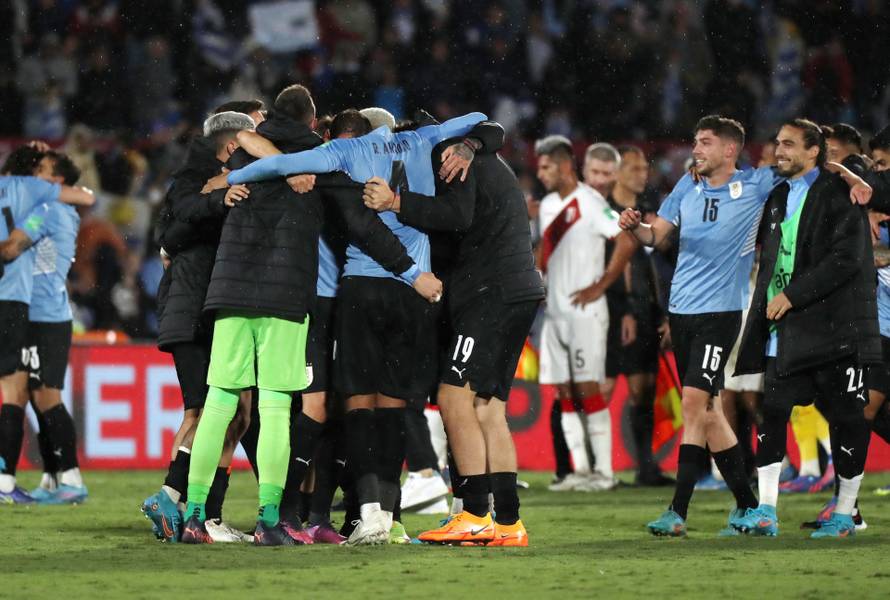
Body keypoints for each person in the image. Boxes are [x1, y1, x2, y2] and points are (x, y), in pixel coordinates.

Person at [227, 107, 491, 545]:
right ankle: (386, 517)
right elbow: (480, 117)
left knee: (357, 407)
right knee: (394, 409)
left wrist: (233, 180)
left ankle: (367, 514)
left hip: (362, 288)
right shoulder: (425, 140)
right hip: (415, 295)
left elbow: (280, 165)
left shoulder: (349, 150)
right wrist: (468, 143)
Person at [618, 115, 872, 537]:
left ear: (729, 150)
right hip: (681, 310)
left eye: (704, 143)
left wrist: (851, 176)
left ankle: (677, 510)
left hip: (721, 313)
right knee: (712, 411)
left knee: (697, 404)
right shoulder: (686, 186)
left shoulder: (757, 184)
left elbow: (814, 165)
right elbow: (656, 236)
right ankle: (748, 506)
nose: (695, 149)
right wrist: (636, 228)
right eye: (696, 141)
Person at [363, 115, 544, 546]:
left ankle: (475, 514)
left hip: (490, 293)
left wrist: (396, 204)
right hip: (518, 289)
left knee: (452, 395)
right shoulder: (476, 153)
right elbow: (490, 130)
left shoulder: (448, 159)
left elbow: (457, 216)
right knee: (488, 407)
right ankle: (508, 522)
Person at [732, 119, 879, 539]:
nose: (779, 151)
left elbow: (846, 259)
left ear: (814, 151)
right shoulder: (778, 196)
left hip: (835, 330)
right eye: (777, 143)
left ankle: (845, 514)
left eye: (789, 144)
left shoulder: (840, 193)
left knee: (847, 419)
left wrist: (792, 296)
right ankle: (766, 511)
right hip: (787, 330)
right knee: (773, 414)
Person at [141, 111, 256, 543]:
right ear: (231, 147)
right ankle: (186, 505)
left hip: (194, 308)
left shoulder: (205, 183)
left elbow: (172, 232)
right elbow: (180, 222)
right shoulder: (201, 185)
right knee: (214, 410)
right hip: (195, 312)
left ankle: (189, 510)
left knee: (225, 412)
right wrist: (218, 195)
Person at [534, 135, 636, 493]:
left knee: (589, 388)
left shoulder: (591, 202)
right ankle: (579, 471)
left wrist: (602, 284)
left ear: (564, 166)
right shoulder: (547, 205)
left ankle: (604, 473)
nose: (541, 173)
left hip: (586, 311)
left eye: (546, 167)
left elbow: (626, 238)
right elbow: (544, 252)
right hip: (556, 312)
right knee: (563, 392)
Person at [0, 144, 95, 504]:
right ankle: (53, 477)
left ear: (55, 180)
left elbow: (14, 244)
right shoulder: (56, 208)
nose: (35, 173)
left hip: (43, 318)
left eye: (42, 169)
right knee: (37, 399)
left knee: (46, 397)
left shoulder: (46, 210)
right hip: (42, 314)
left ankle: (70, 477)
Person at [603, 145, 672, 487]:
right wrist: (627, 307)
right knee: (606, 388)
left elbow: (653, 269)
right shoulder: (606, 213)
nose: (640, 173)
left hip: (647, 310)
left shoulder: (648, 212)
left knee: (644, 389)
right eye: (631, 168)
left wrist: (663, 312)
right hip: (615, 311)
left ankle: (646, 466)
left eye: (643, 167)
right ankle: (592, 468)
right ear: (617, 172)